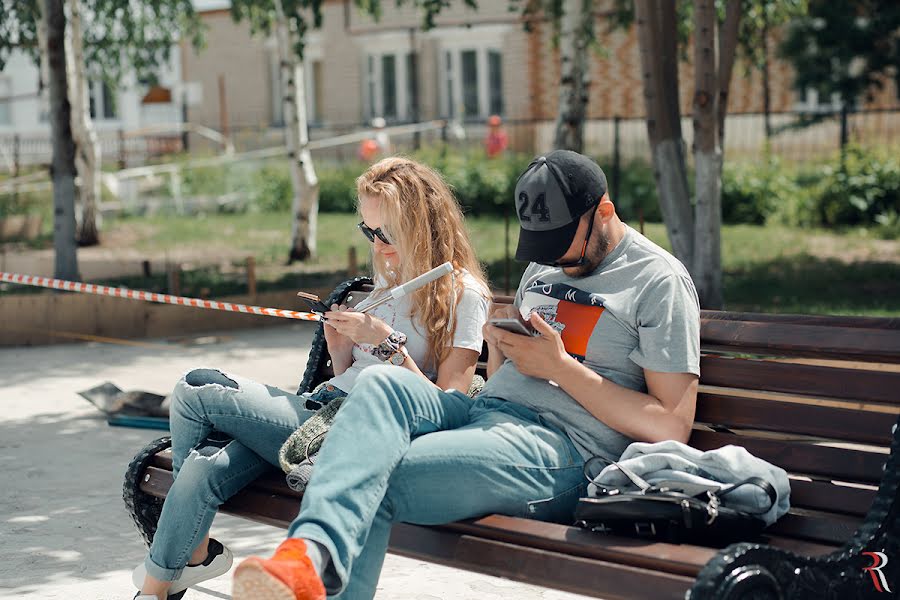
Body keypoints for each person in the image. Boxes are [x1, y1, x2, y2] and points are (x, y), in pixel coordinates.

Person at [230, 150, 702, 600]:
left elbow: (671, 425)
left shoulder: (658, 282)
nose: (555, 261)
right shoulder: (542, 266)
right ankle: (305, 558)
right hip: (484, 417)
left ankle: (308, 558)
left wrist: (562, 370)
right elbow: (505, 374)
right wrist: (502, 349)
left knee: (370, 474)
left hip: (563, 450)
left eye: (564, 246)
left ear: (603, 212)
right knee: (379, 382)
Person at [131, 157, 491, 600]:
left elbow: (449, 406)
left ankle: (195, 556)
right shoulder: (390, 274)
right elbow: (352, 377)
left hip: (354, 430)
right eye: (368, 231)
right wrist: (341, 350)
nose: (377, 245)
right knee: (202, 468)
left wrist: (387, 347)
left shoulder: (463, 295)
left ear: (422, 225)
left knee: (196, 387)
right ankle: (159, 588)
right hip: (321, 411)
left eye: (387, 233)